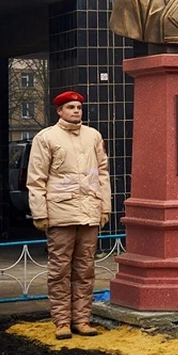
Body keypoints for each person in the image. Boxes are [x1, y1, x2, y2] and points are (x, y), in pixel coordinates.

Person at [28, 91, 112, 339]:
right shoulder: (46, 138)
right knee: (60, 271)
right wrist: (39, 213)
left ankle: (82, 320)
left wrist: (104, 207)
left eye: (79, 107)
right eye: (71, 107)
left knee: (85, 269)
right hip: (60, 213)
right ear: (59, 111)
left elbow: (103, 174)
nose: (76, 111)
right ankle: (62, 322)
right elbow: (36, 179)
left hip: (89, 212)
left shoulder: (93, 136)